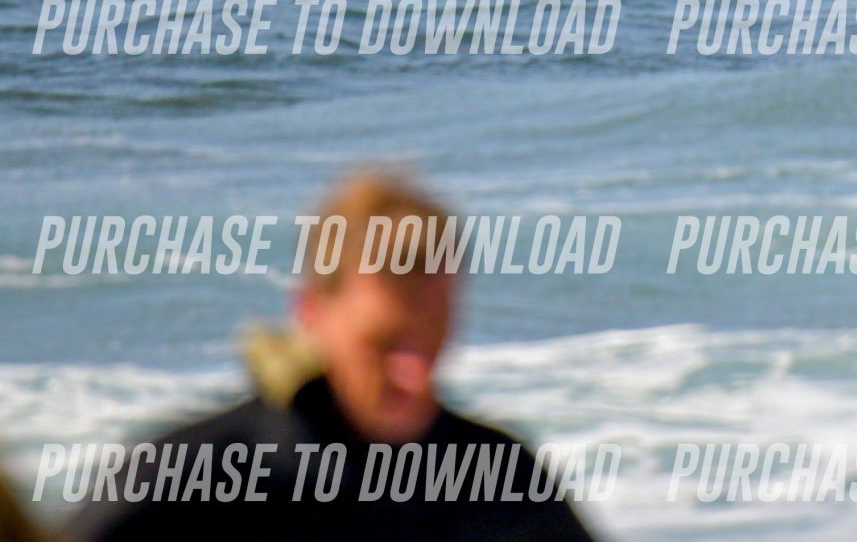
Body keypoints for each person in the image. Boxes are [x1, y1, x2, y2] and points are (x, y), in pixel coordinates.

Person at [67, 171, 596, 542]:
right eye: (385, 344)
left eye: (433, 338)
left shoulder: (499, 480)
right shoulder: (194, 480)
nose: (415, 376)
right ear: (312, 313)